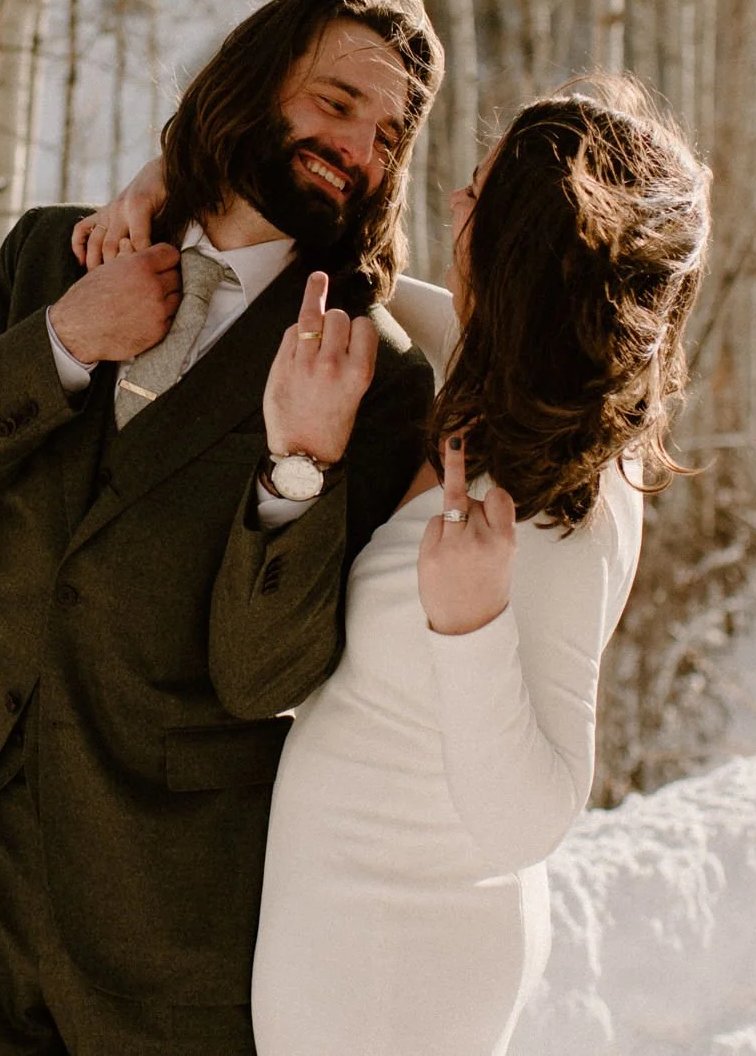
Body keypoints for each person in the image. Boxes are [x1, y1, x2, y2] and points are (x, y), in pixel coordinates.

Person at [0, 0, 442, 1056]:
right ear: (256, 83)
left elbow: (265, 675)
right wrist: (62, 342)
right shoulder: (51, 256)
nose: (360, 144)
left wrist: (298, 465)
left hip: (167, 908)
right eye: (336, 101)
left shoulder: (374, 375)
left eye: (389, 132)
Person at [73, 77, 709, 1056]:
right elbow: (328, 280)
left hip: (396, 973)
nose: (452, 204)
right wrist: (178, 190)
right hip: (337, 938)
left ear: (523, 253)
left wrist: (471, 627)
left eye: (479, 195)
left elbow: (528, 823)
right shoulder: (481, 376)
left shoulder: (560, 511)